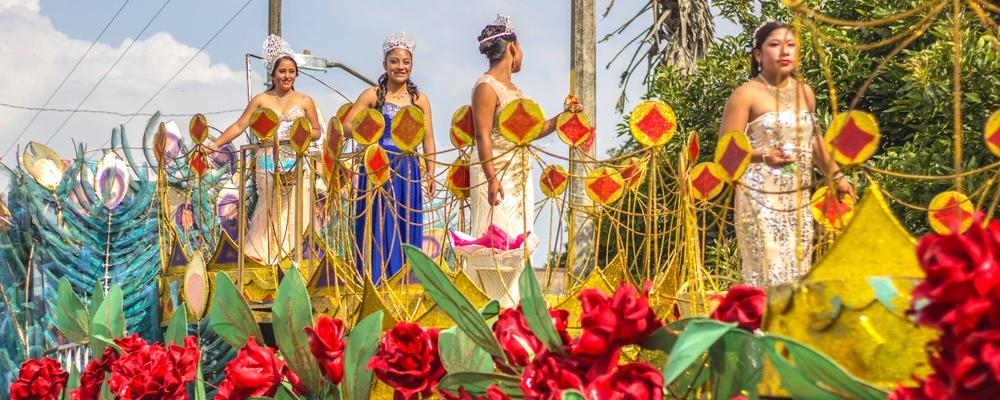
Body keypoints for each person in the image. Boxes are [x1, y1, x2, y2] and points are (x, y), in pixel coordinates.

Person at [719, 20, 855, 288]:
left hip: (797, 196)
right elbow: (726, 153)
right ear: (758, 54)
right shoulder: (745, 95)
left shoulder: (805, 93)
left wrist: (836, 176)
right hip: (759, 197)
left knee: (798, 270)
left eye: (791, 45)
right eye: (774, 45)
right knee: (769, 272)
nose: (784, 52)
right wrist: (763, 156)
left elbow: (813, 140)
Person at [468, 14, 582, 307]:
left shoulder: (516, 91)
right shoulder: (485, 86)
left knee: (519, 239)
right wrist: (492, 178)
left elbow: (531, 132)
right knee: (498, 241)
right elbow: (482, 135)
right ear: (513, 48)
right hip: (493, 169)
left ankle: (515, 311)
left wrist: (563, 115)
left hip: (519, 172)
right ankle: (493, 308)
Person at [207, 35, 322, 264]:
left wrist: (300, 134)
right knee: (269, 210)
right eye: (282, 71)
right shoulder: (261, 100)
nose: (287, 76)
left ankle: (295, 260)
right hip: (268, 160)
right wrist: (213, 145)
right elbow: (240, 125)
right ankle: (268, 259)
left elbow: (317, 131)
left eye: (291, 71)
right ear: (272, 74)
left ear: (296, 74)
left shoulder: (305, 101)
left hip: (297, 159)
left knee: (296, 210)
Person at [342, 32, 436, 285]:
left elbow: (428, 139)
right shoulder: (371, 95)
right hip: (377, 166)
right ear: (385, 64)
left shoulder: (420, 100)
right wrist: (369, 127)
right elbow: (347, 126)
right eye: (395, 61)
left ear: (412, 65)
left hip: (408, 168)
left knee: (406, 222)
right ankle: (375, 278)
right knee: (379, 222)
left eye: (405, 62)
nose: (400, 67)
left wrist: (430, 172)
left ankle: (404, 280)